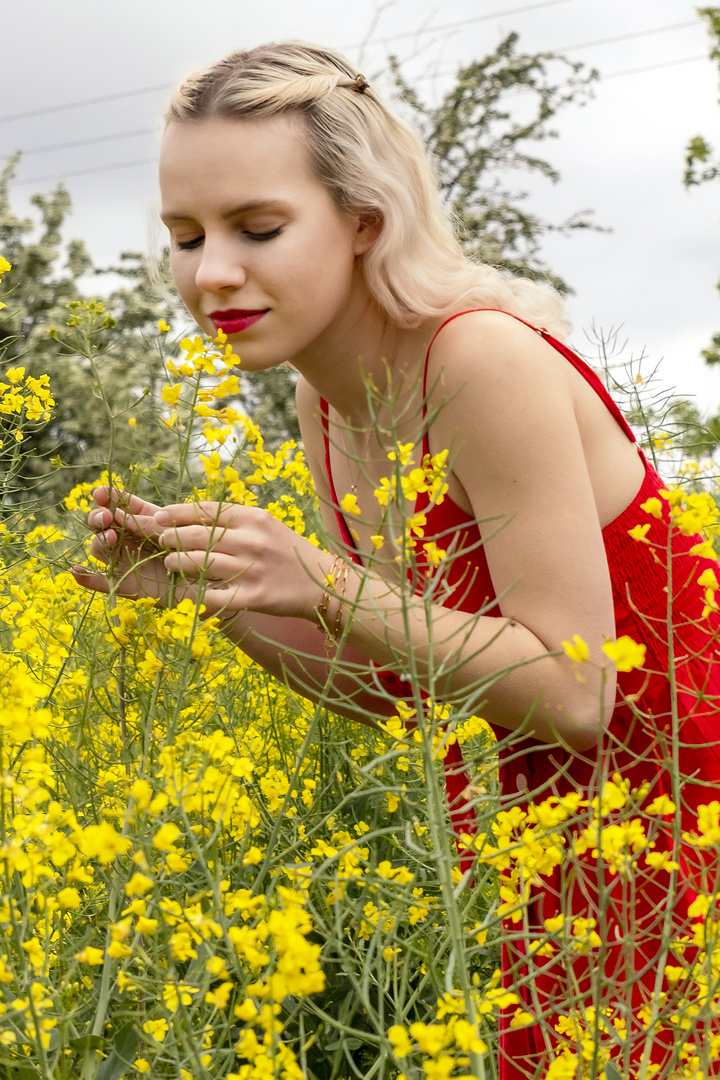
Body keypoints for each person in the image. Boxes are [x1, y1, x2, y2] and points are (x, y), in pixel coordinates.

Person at [72, 41, 720, 1078]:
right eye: (185, 236)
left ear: (365, 221)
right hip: (532, 838)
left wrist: (327, 582)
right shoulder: (323, 400)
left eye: (258, 227)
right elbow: (412, 685)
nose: (211, 273)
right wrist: (225, 599)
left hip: (670, 820)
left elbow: (575, 687)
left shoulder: (479, 358)